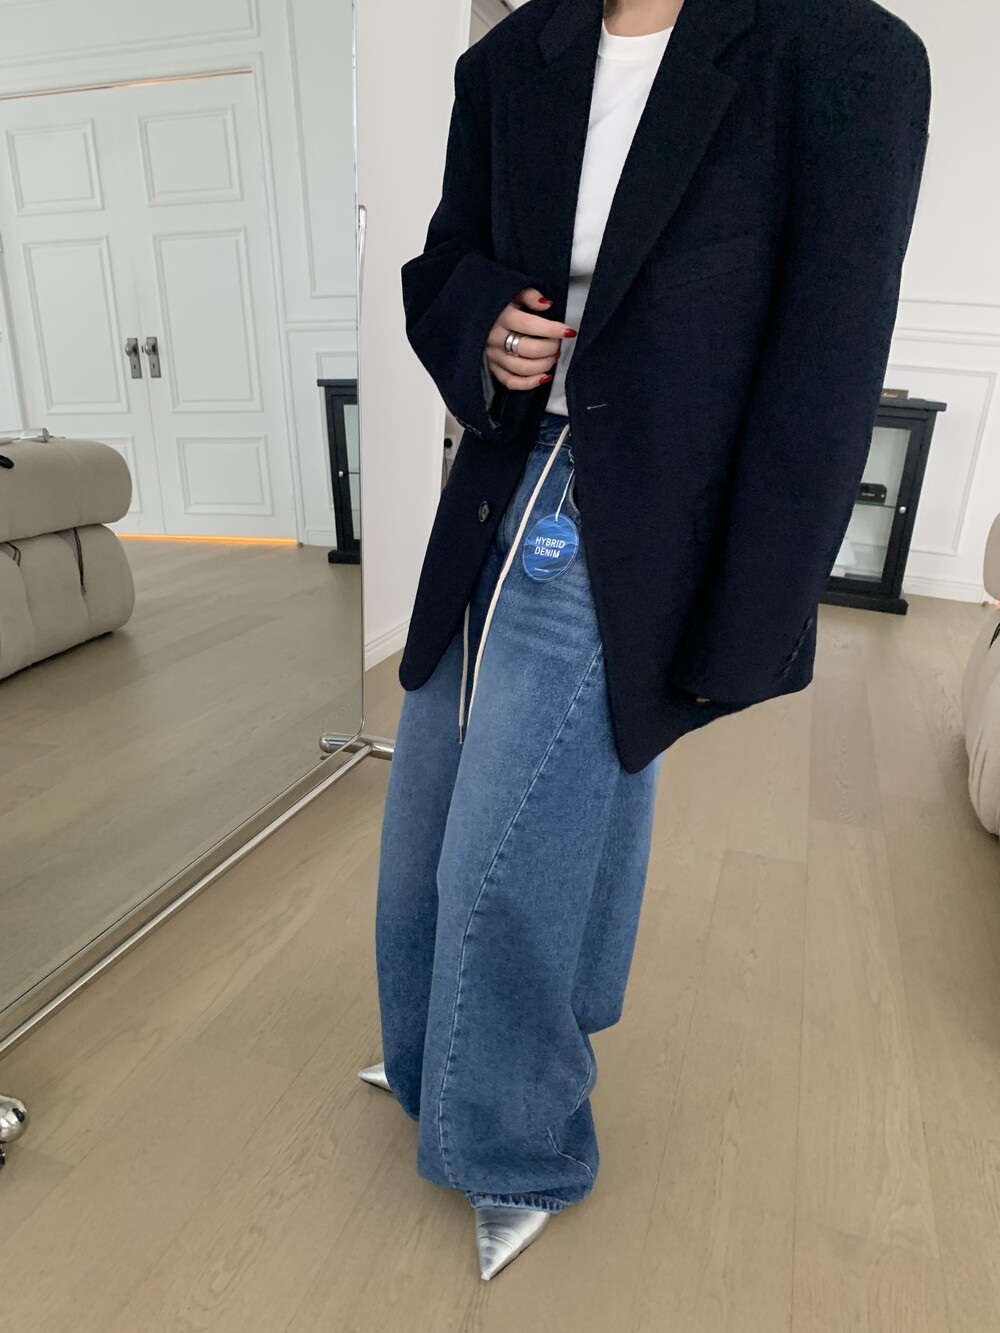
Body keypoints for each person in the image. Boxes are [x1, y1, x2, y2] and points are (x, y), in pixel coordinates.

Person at [364, 0, 930, 1281]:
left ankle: (518, 1140)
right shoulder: (512, 58)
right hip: (500, 475)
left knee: (515, 837)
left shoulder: (842, 55)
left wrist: (758, 609)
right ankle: (429, 1061)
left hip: (647, 505)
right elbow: (445, 261)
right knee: (433, 811)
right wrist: (483, 327)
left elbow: (830, 354)